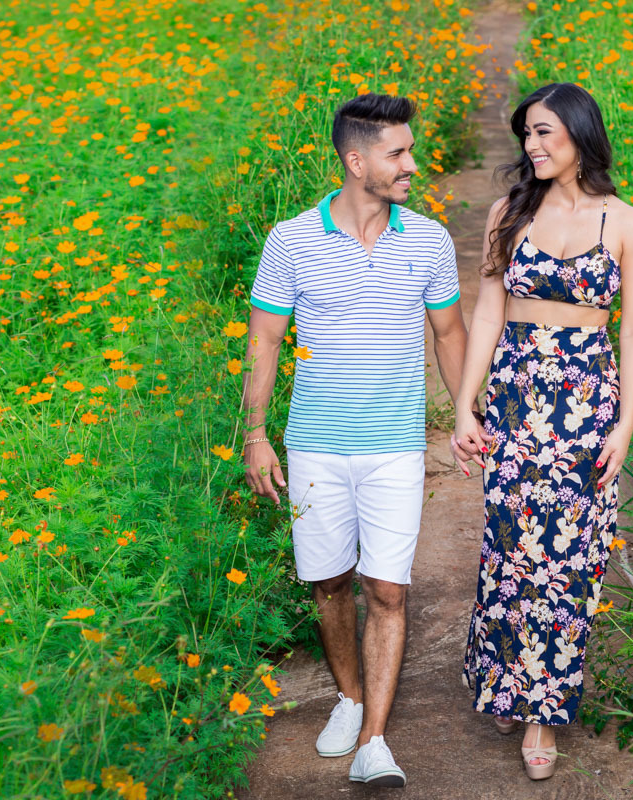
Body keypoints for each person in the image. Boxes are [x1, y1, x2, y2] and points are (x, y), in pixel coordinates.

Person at [242, 93, 470, 788]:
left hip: (396, 445)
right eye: (397, 153)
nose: (410, 164)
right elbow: (264, 340)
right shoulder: (291, 240)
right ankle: (348, 695)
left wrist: (465, 413)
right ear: (356, 160)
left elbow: (451, 333)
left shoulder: (427, 240)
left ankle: (374, 740)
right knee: (331, 582)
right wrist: (255, 434)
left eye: (409, 150)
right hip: (313, 444)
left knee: (389, 590)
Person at [451, 82, 633, 780]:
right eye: (526, 136)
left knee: (567, 555)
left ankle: (542, 710)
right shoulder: (510, 210)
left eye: (545, 133)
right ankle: (505, 675)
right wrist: (464, 404)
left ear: (579, 135)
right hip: (515, 397)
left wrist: (624, 422)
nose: (533, 147)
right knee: (511, 545)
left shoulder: (627, 223)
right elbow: (487, 308)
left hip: (587, 404)